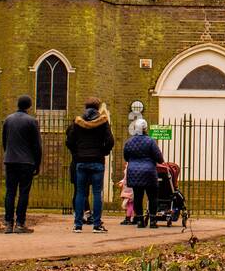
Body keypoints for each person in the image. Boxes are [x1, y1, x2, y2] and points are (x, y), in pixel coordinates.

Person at [66, 98, 115, 231]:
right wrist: (103, 152)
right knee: (97, 193)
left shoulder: (77, 122)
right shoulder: (103, 122)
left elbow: (69, 141)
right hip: (97, 161)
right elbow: (110, 141)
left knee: (81, 193)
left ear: (85, 107)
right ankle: (97, 225)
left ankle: (77, 225)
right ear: (98, 107)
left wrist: (77, 153)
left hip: (81, 161)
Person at [1, 95, 42, 233]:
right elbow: (37, 146)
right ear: (29, 106)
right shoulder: (32, 121)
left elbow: (4, 141)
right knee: (24, 193)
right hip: (26, 162)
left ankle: (8, 224)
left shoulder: (8, 120)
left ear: (18, 104)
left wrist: (8, 154)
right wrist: (37, 164)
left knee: (10, 192)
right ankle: (20, 223)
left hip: (10, 160)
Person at [123, 119, 163, 228]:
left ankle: (140, 220)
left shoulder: (129, 142)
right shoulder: (150, 141)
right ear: (145, 129)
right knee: (152, 197)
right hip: (149, 172)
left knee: (138, 197)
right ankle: (153, 221)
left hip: (134, 172)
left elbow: (126, 157)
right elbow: (159, 158)